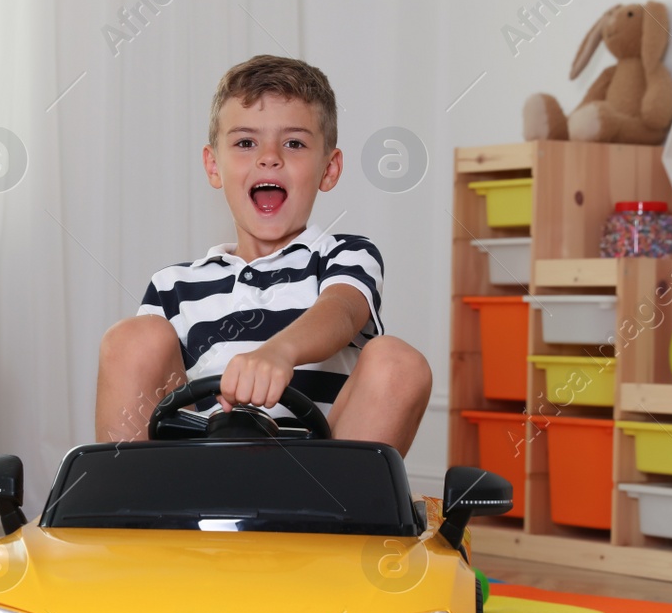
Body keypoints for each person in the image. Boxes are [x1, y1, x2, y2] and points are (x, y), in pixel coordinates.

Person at [94, 54, 432, 454]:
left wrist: (279, 352)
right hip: (197, 476)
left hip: (316, 481)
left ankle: (339, 512)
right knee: (132, 338)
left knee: (398, 361)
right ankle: (124, 504)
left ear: (329, 169)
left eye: (294, 142)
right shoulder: (175, 286)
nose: (269, 156)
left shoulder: (343, 254)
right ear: (213, 165)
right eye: (245, 142)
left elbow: (342, 309)